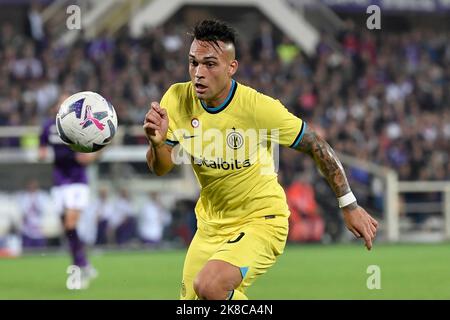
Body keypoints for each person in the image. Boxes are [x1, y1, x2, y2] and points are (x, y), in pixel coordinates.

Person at [143, 20, 378, 300]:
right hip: (210, 226)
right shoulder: (176, 99)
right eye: (193, 63)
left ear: (232, 67)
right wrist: (157, 144)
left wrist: (349, 204)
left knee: (210, 285)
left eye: (209, 64)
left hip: (261, 220)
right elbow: (160, 168)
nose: (198, 73)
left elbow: (316, 145)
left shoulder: (257, 108)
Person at [39, 93, 101, 289]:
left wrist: (94, 154)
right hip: (59, 183)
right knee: (67, 229)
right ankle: (84, 261)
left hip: (77, 181)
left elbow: (94, 151)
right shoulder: (48, 127)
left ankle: (78, 272)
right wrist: (42, 153)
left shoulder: (82, 125)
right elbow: (41, 151)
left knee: (70, 224)